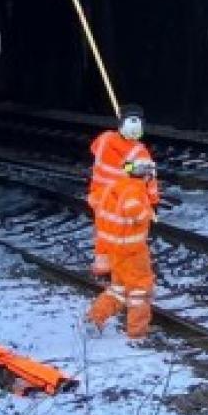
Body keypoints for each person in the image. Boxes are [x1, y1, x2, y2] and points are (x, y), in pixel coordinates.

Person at [86, 154, 158, 341]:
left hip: (114, 251)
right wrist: (146, 214)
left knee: (119, 289)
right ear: (145, 175)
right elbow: (132, 208)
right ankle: (137, 333)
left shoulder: (113, 187)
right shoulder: (135, 191)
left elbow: (93, 199)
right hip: (133, 251)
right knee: (140, 291)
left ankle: (95, 317)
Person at [88, 104, 157, 278]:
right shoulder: (139, 153)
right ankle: (123, 265)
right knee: (124, 234)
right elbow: (149, 179)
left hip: (100, 198)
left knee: (104, 231)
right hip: (124, 202)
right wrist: (154, 202)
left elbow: (94, 148)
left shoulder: (104, 139)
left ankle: (103, 263)